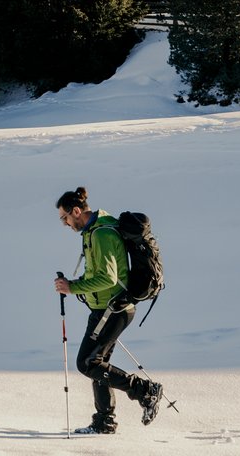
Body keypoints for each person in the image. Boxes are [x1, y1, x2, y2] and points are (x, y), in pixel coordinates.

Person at [53, 186, 163, 434]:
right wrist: (75, 285)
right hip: (106, 307)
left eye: (64, 218)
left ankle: (145, 391)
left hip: (114, 308)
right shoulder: (94, 229)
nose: (65, 224)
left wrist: (73, 287)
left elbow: (108, 278)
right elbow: (96, 272)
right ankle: (104, 421)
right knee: (98, 363)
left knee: (87, 363)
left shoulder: (101, 233)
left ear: (76, 211)